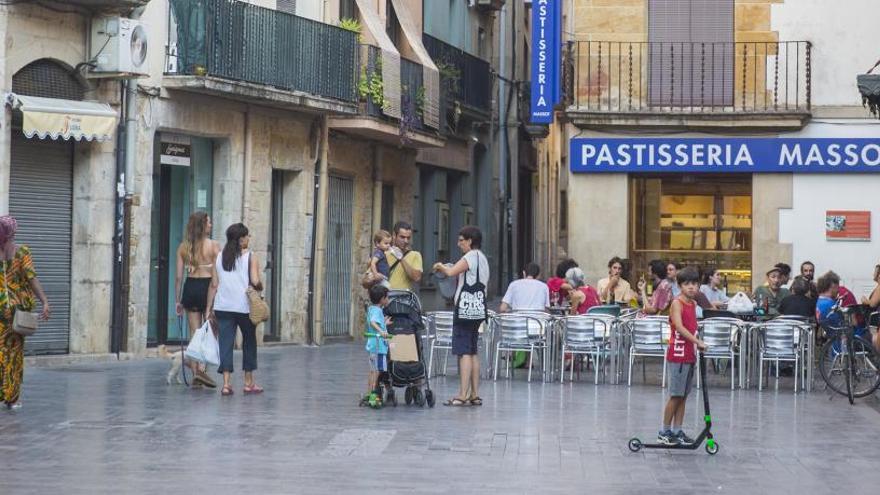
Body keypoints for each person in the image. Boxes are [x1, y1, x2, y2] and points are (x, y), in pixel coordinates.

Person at [433, 226, 489, 407]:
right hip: (478, 309)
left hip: (465, 310)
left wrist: (440, 265)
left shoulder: (470, 256)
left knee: (464, 351)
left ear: (470, 241)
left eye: (461, 240)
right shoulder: (483, 258)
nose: (459, 244)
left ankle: (462, 394)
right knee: (473, 351)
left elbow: (450, 273)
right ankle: (474, 394)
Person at [206, 223, 263, 397]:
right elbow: (254, 280)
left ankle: (225, 384)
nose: (249, 238)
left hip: (223, 306)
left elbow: (214, 284)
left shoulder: (219, 257)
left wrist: (209, 307)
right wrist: (260, 286)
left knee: (225, 343)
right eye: (247, 236)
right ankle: (248, 382)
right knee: (249, 342)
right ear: (241, 239)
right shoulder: (251, 257)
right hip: (244, 306)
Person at [0, 216, 50, 409]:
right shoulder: (22, 252)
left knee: (1, 352)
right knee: (13, 353)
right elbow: (31, 279)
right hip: (15, 313)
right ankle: (12, 398)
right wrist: (44, 301)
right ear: (14, 231)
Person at [659, 266, 707, 446]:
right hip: (678, 354)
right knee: (675, 395)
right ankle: (664, 431)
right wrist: (697, 342)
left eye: (695, 284)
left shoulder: (693, 304)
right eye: (687, 284)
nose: (692, 287)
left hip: (689, 355)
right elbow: (679, 327)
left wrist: (696, 343)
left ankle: (677, 430)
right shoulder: (677, 303)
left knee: (684, 395)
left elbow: (692, 326)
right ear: (680, 286)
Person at [174, 211, 221, 388]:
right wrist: (211, 303)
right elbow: (217, 278)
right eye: (208, 222)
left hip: (191, 287)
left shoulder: (183, 247)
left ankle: (196, 374)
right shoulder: (215, 246)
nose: (211, 225)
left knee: (194, 333)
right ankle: (202, 370)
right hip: (208, 288)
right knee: (208, 331)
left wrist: (177, 300)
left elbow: (179, 277)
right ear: (202, 225)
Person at [361, 284, 391, 407]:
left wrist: (384, 323)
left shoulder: (372, 309)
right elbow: (373, 323)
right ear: (382, 299)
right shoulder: (378, 311)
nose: (388, 300)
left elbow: (374, 321)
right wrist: (381, 331)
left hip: (373, 345)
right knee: (376, 371)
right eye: (387, 297)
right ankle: (373, 393)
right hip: (379, 347)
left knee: (372, 370)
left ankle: (369, 393)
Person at [385, 221, 423, 291]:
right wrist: (369, 279)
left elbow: (416, 277)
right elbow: (365, 283)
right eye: (402, 237)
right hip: (384, 298)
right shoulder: (384, 254)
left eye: (408, 238)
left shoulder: (415, 255)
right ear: (394, 235)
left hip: (403, 298)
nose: (406, 241)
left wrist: (401, 259)